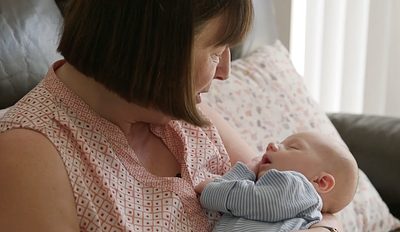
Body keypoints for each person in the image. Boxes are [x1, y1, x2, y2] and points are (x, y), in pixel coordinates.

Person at [0, 0, 344, 231]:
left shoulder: (182, 110)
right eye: (216, 52)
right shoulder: (29, 158)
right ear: (155, 46)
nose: (225, 71)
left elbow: (312, 205)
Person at [195, 132, 359, 232]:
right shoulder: (279, 196)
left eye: (292, 147)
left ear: (320, 182)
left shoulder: (297, 187)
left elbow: (250, 200)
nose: (272, 145)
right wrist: (244, 172)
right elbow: (234, 195)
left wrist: (212, 190)